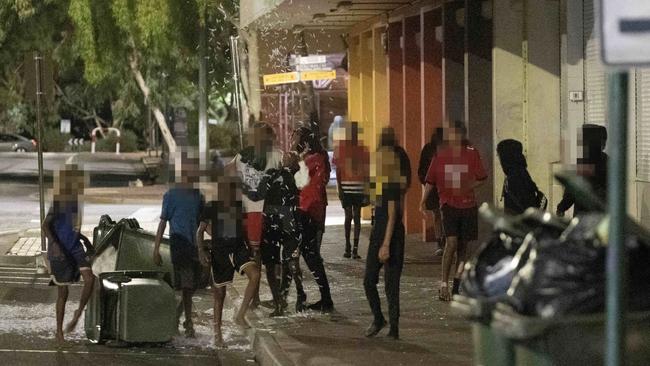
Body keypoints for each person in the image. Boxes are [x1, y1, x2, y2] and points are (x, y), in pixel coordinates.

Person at [420, 121, 487, 301]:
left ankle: (457, 284)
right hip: (448, 205)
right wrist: (423, 201)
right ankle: (443, 284)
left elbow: (482, 177)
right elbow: (430, 181)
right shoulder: (440, 156)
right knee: (451, 243)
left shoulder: (471, 154)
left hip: (468, 205)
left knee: (464, 248)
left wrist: (469, 185)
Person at [196, 174, 261, 346]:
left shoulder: (239, 206)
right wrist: (201, 250)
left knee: (255, 275)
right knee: (219, 294)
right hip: (220, 253)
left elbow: (242, 228)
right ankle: (217, 335)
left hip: (239, 249)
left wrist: (252, 248)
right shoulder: (211, 206)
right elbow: (200, 231)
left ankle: (240, 315)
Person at [228, 123, 283, 308]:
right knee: (255, 256)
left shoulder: (275, 156)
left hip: (266, 213)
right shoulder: (243, 155)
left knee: (268, 258)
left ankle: (275, 298)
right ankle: (258, 296)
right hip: (249, 212)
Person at [364, 127, 410, 340]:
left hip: (390, 235)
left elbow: (392, 215)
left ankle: (394, 327)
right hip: (380, 232)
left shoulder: (391, 182)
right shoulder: (380, 181)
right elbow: (373, 200)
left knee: (391, 284)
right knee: (369, 280)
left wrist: (385, 244)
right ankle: (380, 319)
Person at [43, 161, 95, 345]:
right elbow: (46, 225)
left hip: (75, 247)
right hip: (60, 250)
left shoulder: (76, 201)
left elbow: (70, 227)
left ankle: (77, 313)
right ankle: (59, 332)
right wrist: (55, 244)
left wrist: (84, 238)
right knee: (62, 293)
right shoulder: (59, 200)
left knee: (90, 279)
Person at [154, 151, 205, 337]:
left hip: (194, 245)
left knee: (190, 286)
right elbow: (162, 222)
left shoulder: (198, 196)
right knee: (186, 284)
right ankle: (188, 322)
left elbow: (202, 221)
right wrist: (156, 248)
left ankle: (177, 317)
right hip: (179, 243)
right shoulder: (172, 195)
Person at [253, 152, 306, 317]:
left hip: (271, 223)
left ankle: (279, 303)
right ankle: (299, 294)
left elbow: (256, 198)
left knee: (270, 266)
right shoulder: (291, 176)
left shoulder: (266, 177)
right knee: (291, 260)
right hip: (289, 221)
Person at [293, 125, 334, 312]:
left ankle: (312, 297)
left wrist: (298, 157)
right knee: (310, 256)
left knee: (304, 256)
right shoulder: (320, 157)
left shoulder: (310, 159)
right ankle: (323, 297)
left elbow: (299, 180)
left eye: (297, 137)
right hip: (314, 209)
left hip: (307, 209)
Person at [333, 121, 370, 259]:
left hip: (350, 188)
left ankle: (351, 247)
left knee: (350, 217)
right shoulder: (361, 149)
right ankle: (351, 247)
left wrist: (340, 188)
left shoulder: (342, 148)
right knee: (353, 217)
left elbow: (338, 170)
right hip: (355, 188)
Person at [556, 124, 608, 217]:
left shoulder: (584, 163)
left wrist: (561, 208)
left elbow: (572, 191)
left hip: (584, 218)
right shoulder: (609, 162)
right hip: (603, 216)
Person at [497, 139, 542, 215]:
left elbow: (524, 205)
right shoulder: (518, 171)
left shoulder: (516, 175)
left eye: (500, 155)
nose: (499, 159)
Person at [418, 128, 445, 256]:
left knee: (441, 214)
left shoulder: (445, 150)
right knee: (437, 214)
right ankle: (440, 241)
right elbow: (422, 169)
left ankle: (444, 240)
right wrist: (426, 182)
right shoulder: (429, 150)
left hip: (443, 188)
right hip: (434, 188)